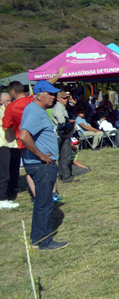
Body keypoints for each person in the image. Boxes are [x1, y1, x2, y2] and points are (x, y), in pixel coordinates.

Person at [19, 80, 69, 250]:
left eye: (55, 94)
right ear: (38, 95)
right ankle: (44, 241)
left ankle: (37, 238)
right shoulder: (35, 111)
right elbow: (24, 136)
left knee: (42, 202)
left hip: (39, 163)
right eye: (50, 94)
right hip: (42, 165)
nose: (54, 97)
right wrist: (40, 155)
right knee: (45, 203)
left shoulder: (35, 109)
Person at [0, 92, 20, 209]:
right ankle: (2, 198)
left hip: (14, 144)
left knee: (14, 170)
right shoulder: (1, 111)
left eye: (10, 100)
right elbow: (6, 127)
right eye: (6, 101)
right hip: (3, 144)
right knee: (4, 173)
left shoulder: (12, 110)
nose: (9, 103)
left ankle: (10, 193)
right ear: (1, 101)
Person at [52, 91, 77, 183]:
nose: (66, 100)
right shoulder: (58, 108)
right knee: (64, 156)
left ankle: (64, 175)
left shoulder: (62, 107)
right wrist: (71, 121)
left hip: (63, 134)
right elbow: (62, 121)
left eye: (67, 98)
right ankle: (65, 176)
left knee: (64, 155)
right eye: (64, 98)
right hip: (61, 135)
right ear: (58, 99)